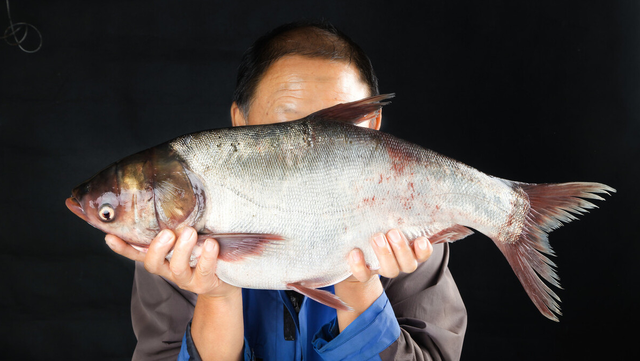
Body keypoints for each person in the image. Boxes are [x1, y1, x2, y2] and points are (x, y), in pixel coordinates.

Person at [106, 21, 467, 361]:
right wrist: (217, 296)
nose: (313, 160)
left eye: (338, 135)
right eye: (290, 133)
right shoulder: (174, 246)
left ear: (372, 128)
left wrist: (360, 286)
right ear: (240, 124)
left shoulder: (409, 234)